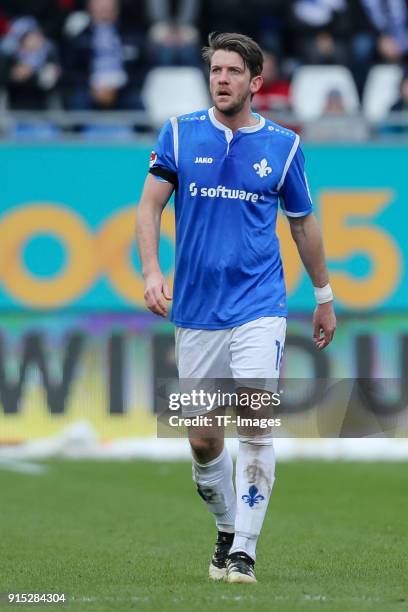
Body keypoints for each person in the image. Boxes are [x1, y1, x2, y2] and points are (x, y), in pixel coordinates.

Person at [136, 32, 336, 584]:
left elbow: (303, 224)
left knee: (255, 418)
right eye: (215, 70)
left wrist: (323, 296)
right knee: (202, 438)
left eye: (231, 71)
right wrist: (153, 271)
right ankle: (227, 526)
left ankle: (245, 550)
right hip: (196, 309)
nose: (220, 79)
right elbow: (150, 206)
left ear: (254, 82)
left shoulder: (284, 146)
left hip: (260, 304)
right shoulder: (179, 133)